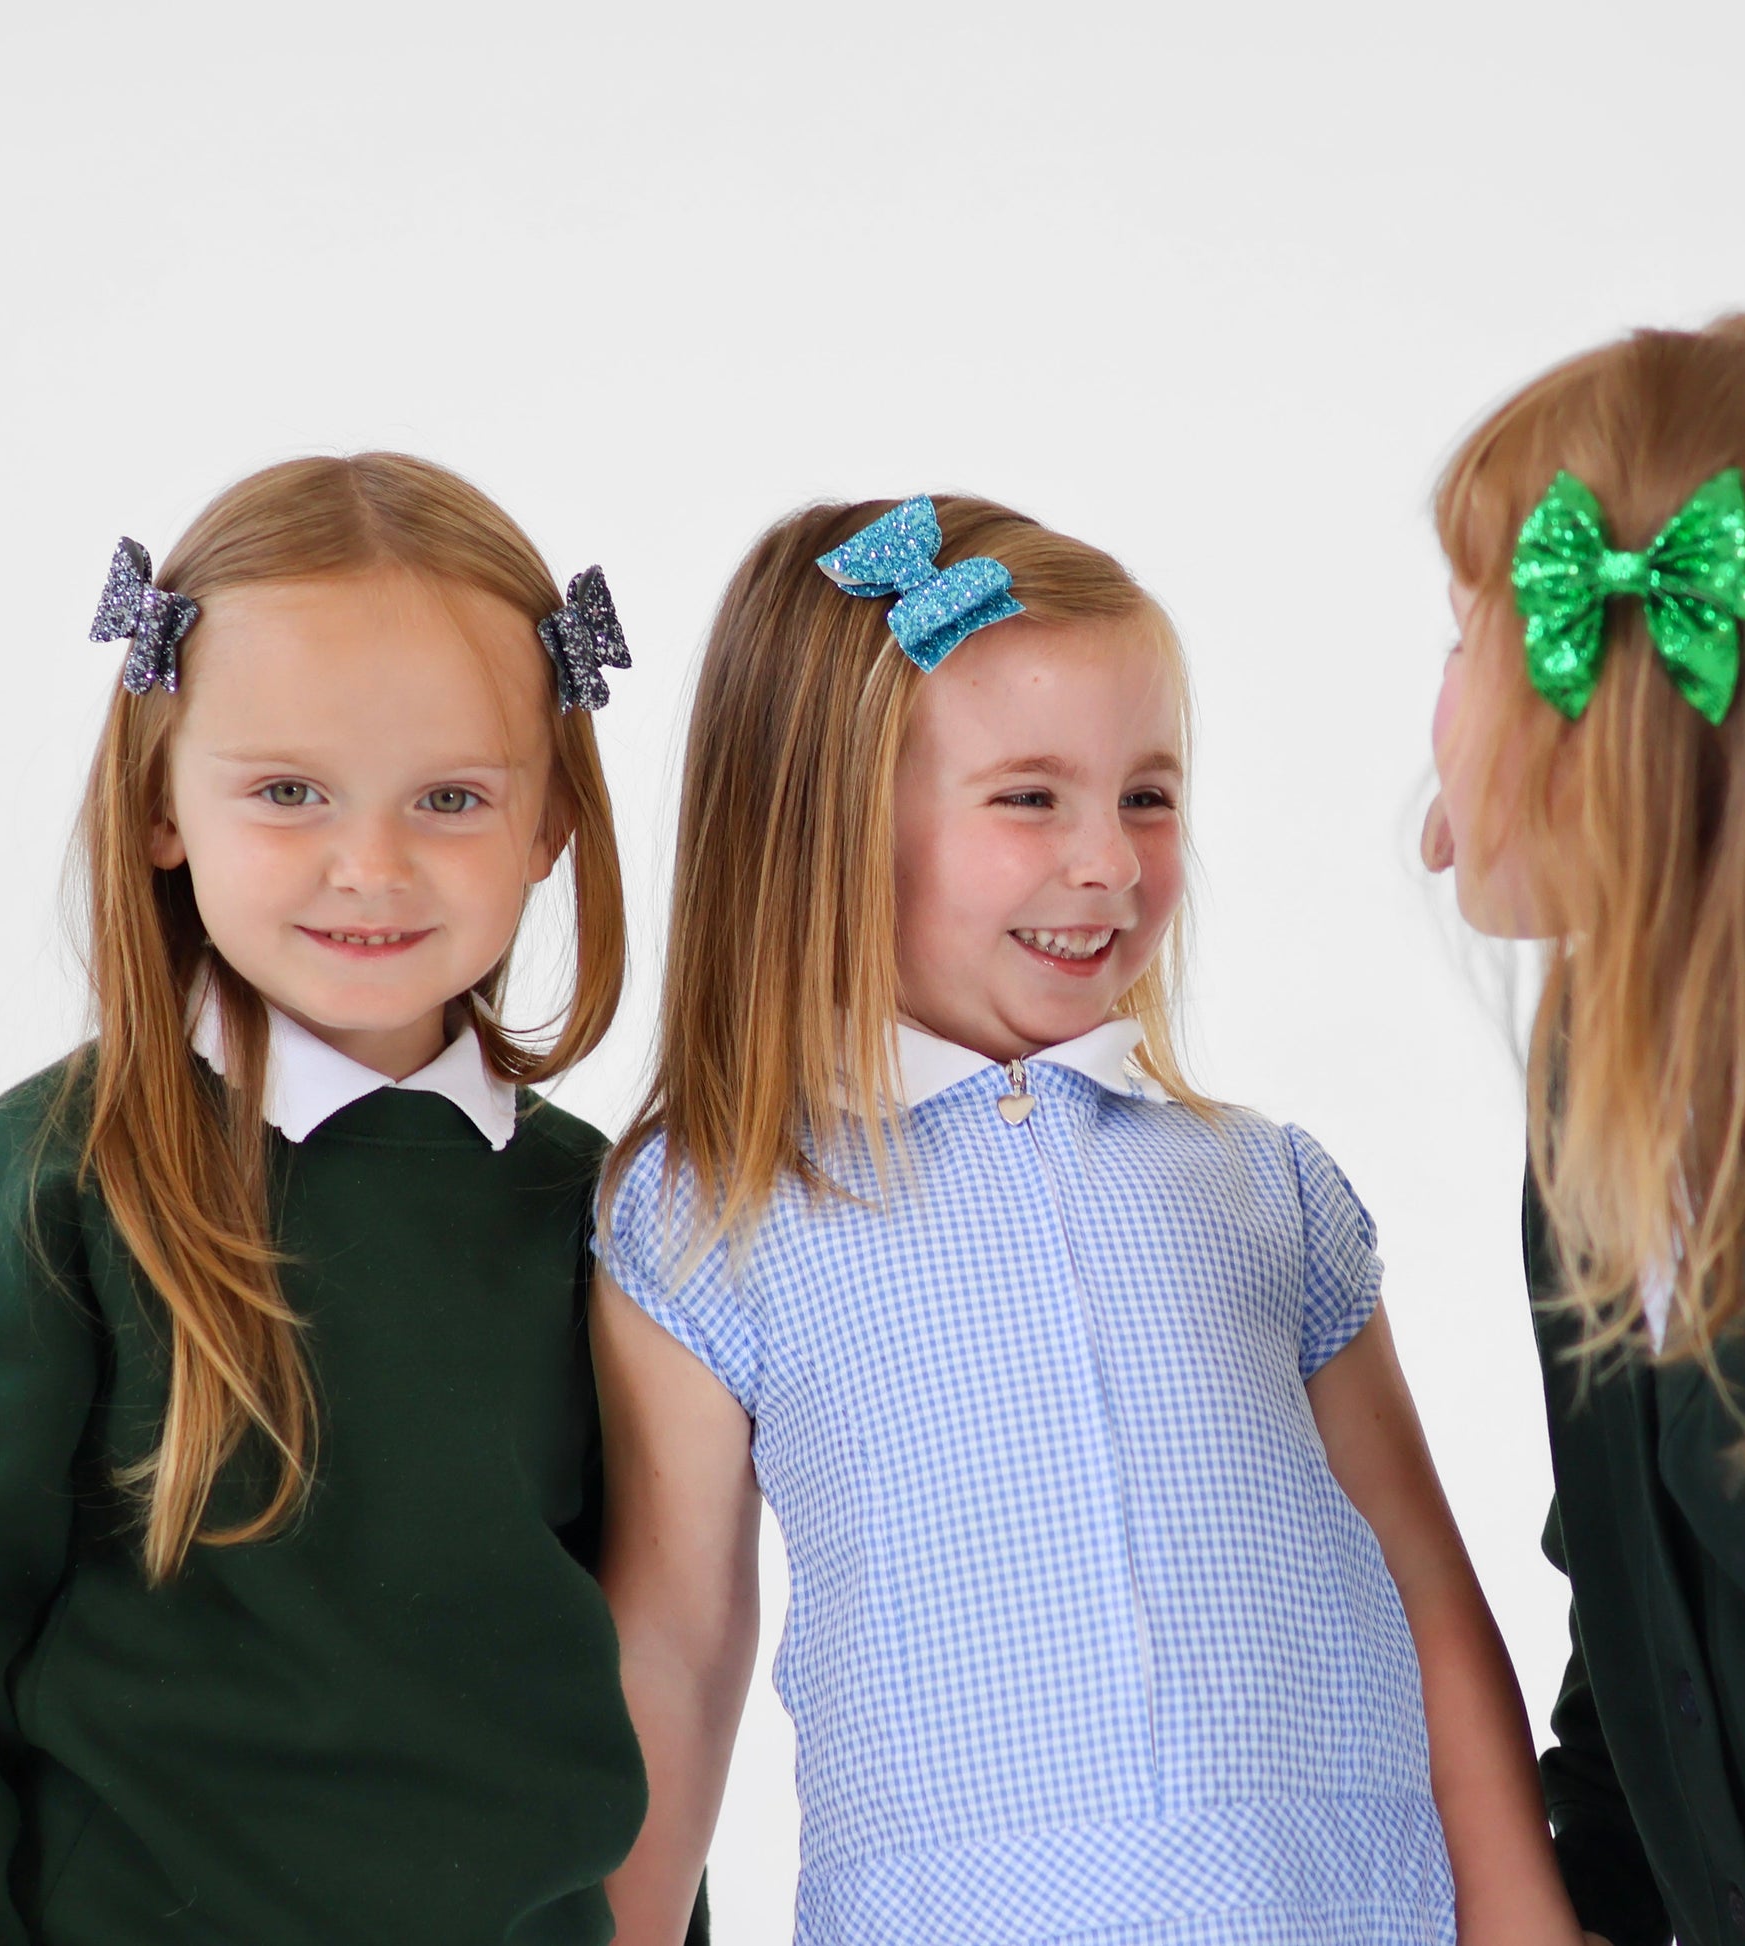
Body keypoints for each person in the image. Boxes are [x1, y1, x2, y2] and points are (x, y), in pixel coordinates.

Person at [595, 494, 1580, 1943]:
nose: (1111, 863)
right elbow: (676, 1645)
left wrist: (1521, 1918)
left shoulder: (1265, 1189)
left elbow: (1421, 1574)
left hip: (1340, 1907)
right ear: (824, 821)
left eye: (1148, 794)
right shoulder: (708, 1211)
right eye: (1028, 798)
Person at [0, 454, 704, 1945]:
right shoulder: (65, 1179)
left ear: (549, 828)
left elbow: (654, 1657)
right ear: (161, 804)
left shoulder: (616, 1214)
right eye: (288, 789)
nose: (369, 864)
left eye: (451, 795)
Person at [1424, 314, 1745, 1946]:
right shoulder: (1603, 1089)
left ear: (1616, 707)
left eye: (1459, 637)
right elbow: (1646, 1605)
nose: (1433, 703)